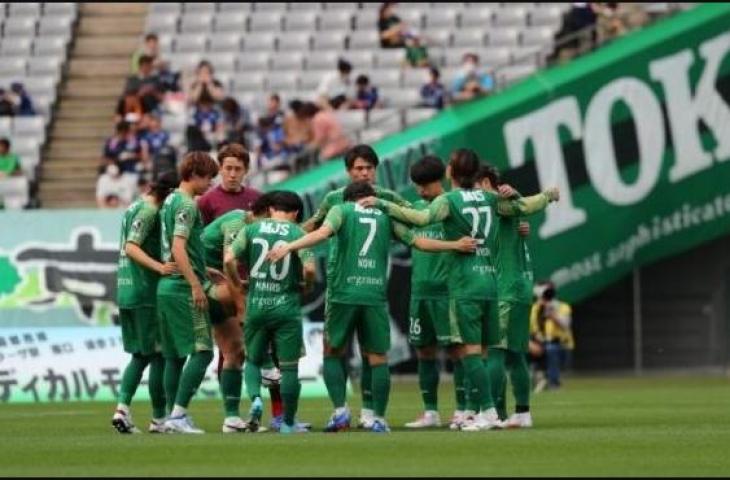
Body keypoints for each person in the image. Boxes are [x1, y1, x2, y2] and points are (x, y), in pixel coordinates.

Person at [359, 148, 560, 431]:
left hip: (464, 286)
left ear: (451, 171)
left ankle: (486, 413)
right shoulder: (491, 199)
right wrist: (549, 195)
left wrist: (383, 206)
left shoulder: (448, 201)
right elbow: (525, 207)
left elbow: (421, 220)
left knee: (470, 352)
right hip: (491, 283)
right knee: (489, 353)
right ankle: (485, 412)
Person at [266, 181, 478, 433]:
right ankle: (378, 418)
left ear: (348, 198)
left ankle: (341, 413)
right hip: (374, 296)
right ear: (370, 197)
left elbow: (322, 233)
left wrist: (288, 246)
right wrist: (455, 245)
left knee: (333, 350)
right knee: (378, 357)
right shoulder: (384, 216)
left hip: (343, 294)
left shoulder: (341, 210)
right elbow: (419, 242)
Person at [299, 144, 412, 430]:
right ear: (348, 172)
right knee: (342, 350)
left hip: (361, 288)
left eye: (369, 168)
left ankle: (367, 413)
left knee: (365, 353)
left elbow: (412, 216)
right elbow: (314, 224)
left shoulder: (385, 198)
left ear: (375, 169)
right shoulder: (335, 198)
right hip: (344, 284)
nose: (364, 173)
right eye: (358, 168)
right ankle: (351, 412)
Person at [224, 191, 317, 434]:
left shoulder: (252, 229)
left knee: (254, 360)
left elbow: (229, 259)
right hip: (286, 307)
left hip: (257, 305)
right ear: (296, 213)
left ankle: (255, 399)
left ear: (271, 209)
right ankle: (287, 423)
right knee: (288, 368)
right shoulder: (299, 233)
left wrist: (238, 283)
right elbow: (309, 269)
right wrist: (306, 288)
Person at [400, 155, 470, 430]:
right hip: (420, 292)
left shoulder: (454, 206)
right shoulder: (415, 209)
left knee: (458, 351)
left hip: (448, 292)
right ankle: (431, 411)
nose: (420, 191)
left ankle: (463, 410)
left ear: (439, 180)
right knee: (424, 352)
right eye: (417, 185)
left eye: (425, 185)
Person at [157, 151, 220, 434]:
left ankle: (171, 416)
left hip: (166, 287)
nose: (210, 184)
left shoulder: (169, 199)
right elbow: (178, 247)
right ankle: (178, 416)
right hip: (183, 287)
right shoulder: (186, 204)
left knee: (174, 356)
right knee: (203, 351)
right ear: (194, 175)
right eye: (208, 177)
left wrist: (205, 270)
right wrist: (196, 283)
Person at [111, 171, 179, 434]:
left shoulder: (134, 206)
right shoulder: (150, 211)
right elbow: (131, 246)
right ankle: (159, 419)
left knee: (140, 355)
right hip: (145, 293)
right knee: (159, 354)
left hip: (127, 291)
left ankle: (122, 409)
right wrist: (160, 267)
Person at [475, 164, 536, 428]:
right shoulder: (507, 208)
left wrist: (515, 195)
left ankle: (494, 414)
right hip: (519, 287)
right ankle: (520, 413)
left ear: (486, 183)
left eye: (475, 186)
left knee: (496, 352)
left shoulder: (498, 206)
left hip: (506, 289)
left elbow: (520, 206)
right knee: (515, 355)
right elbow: (521, 212)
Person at [197, 143, 262, 225]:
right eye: (228, 168)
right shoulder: (206, 201)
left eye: (238, 169)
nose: (232, 175)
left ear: (246, 170)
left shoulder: (258, 198)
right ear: (220, 168)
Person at [530, 281, 574, 390]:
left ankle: (552, 382)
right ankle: (537, 378)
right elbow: (533, 329)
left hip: (561, 344)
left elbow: (565, 325)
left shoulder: (563, 306)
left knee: (551, 349)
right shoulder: (536, 308)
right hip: (541, 343)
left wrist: (553, 314)